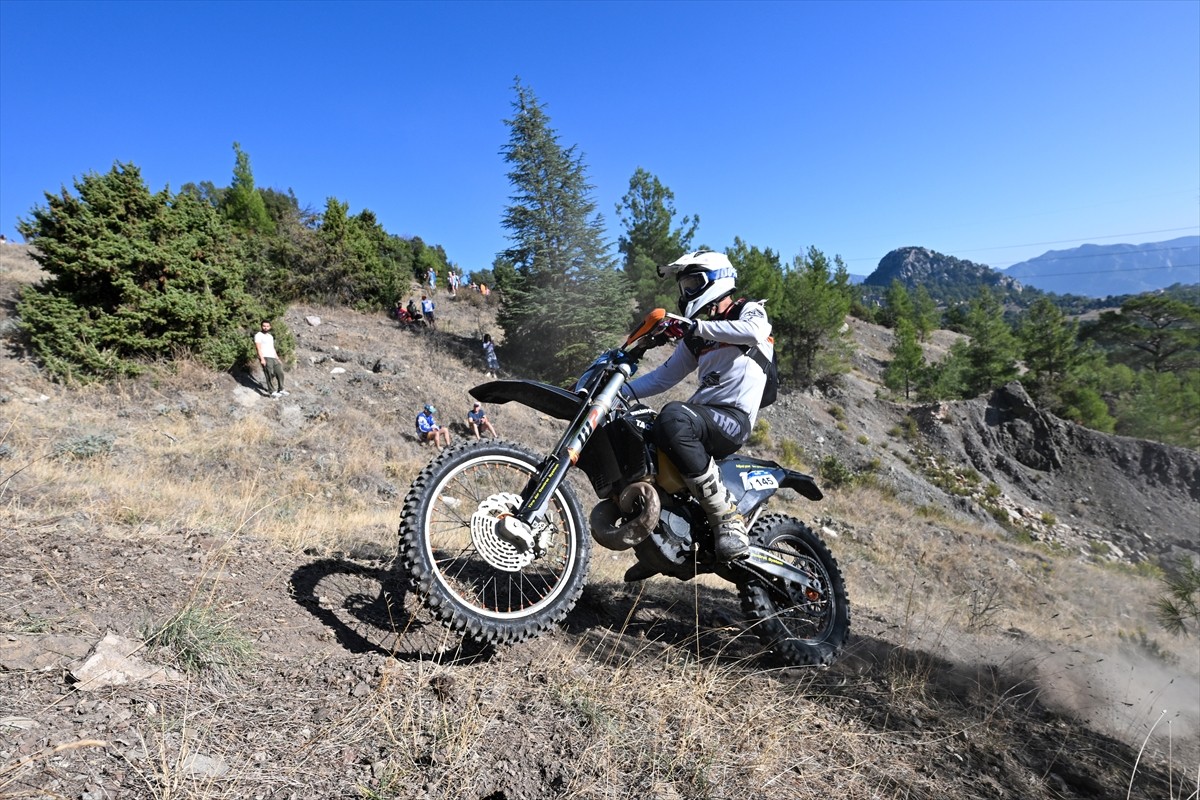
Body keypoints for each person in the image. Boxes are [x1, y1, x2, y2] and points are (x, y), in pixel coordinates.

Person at [622, 250, 773, 564]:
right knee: (639, 430)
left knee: (673, 416)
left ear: (717, 280)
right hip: (703, 417)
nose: (686, 292)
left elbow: (756, 333)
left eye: (693, 282)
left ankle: (726, 515)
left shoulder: (748, 310)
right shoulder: (698, 336)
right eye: (684, 285)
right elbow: (663, 377)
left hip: (732, 419)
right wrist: (615, 392)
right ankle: (662, 544)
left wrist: (698, 328)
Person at [254, 320, 289, 398]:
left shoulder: (270, 336)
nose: (265, 327)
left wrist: (277, 358)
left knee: (280, 372)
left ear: (270, 327)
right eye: (264, 326)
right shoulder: (258, 335)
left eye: (267, 326)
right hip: (265, 357)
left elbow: (272, 348)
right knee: (269, 374)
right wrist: (262, 359)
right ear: (261, 326)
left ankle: (281, 389)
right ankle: (272, 391)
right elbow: (258, 348)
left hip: (273, 357)